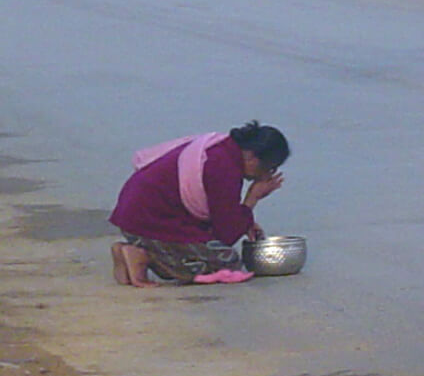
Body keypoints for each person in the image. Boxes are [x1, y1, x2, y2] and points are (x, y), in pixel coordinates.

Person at [109, 121, 290, 287]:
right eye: (268, 167)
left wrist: (245, 220)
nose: (266, 175)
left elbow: (220, 211)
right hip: (147, 222)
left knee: (209, 246)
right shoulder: (224, 168)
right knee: (227, 260)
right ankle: (144, 256)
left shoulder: (220, 148)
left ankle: (128, 251)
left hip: (134, 216)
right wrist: (252, 198)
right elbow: (226, 234)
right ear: (252, 158)